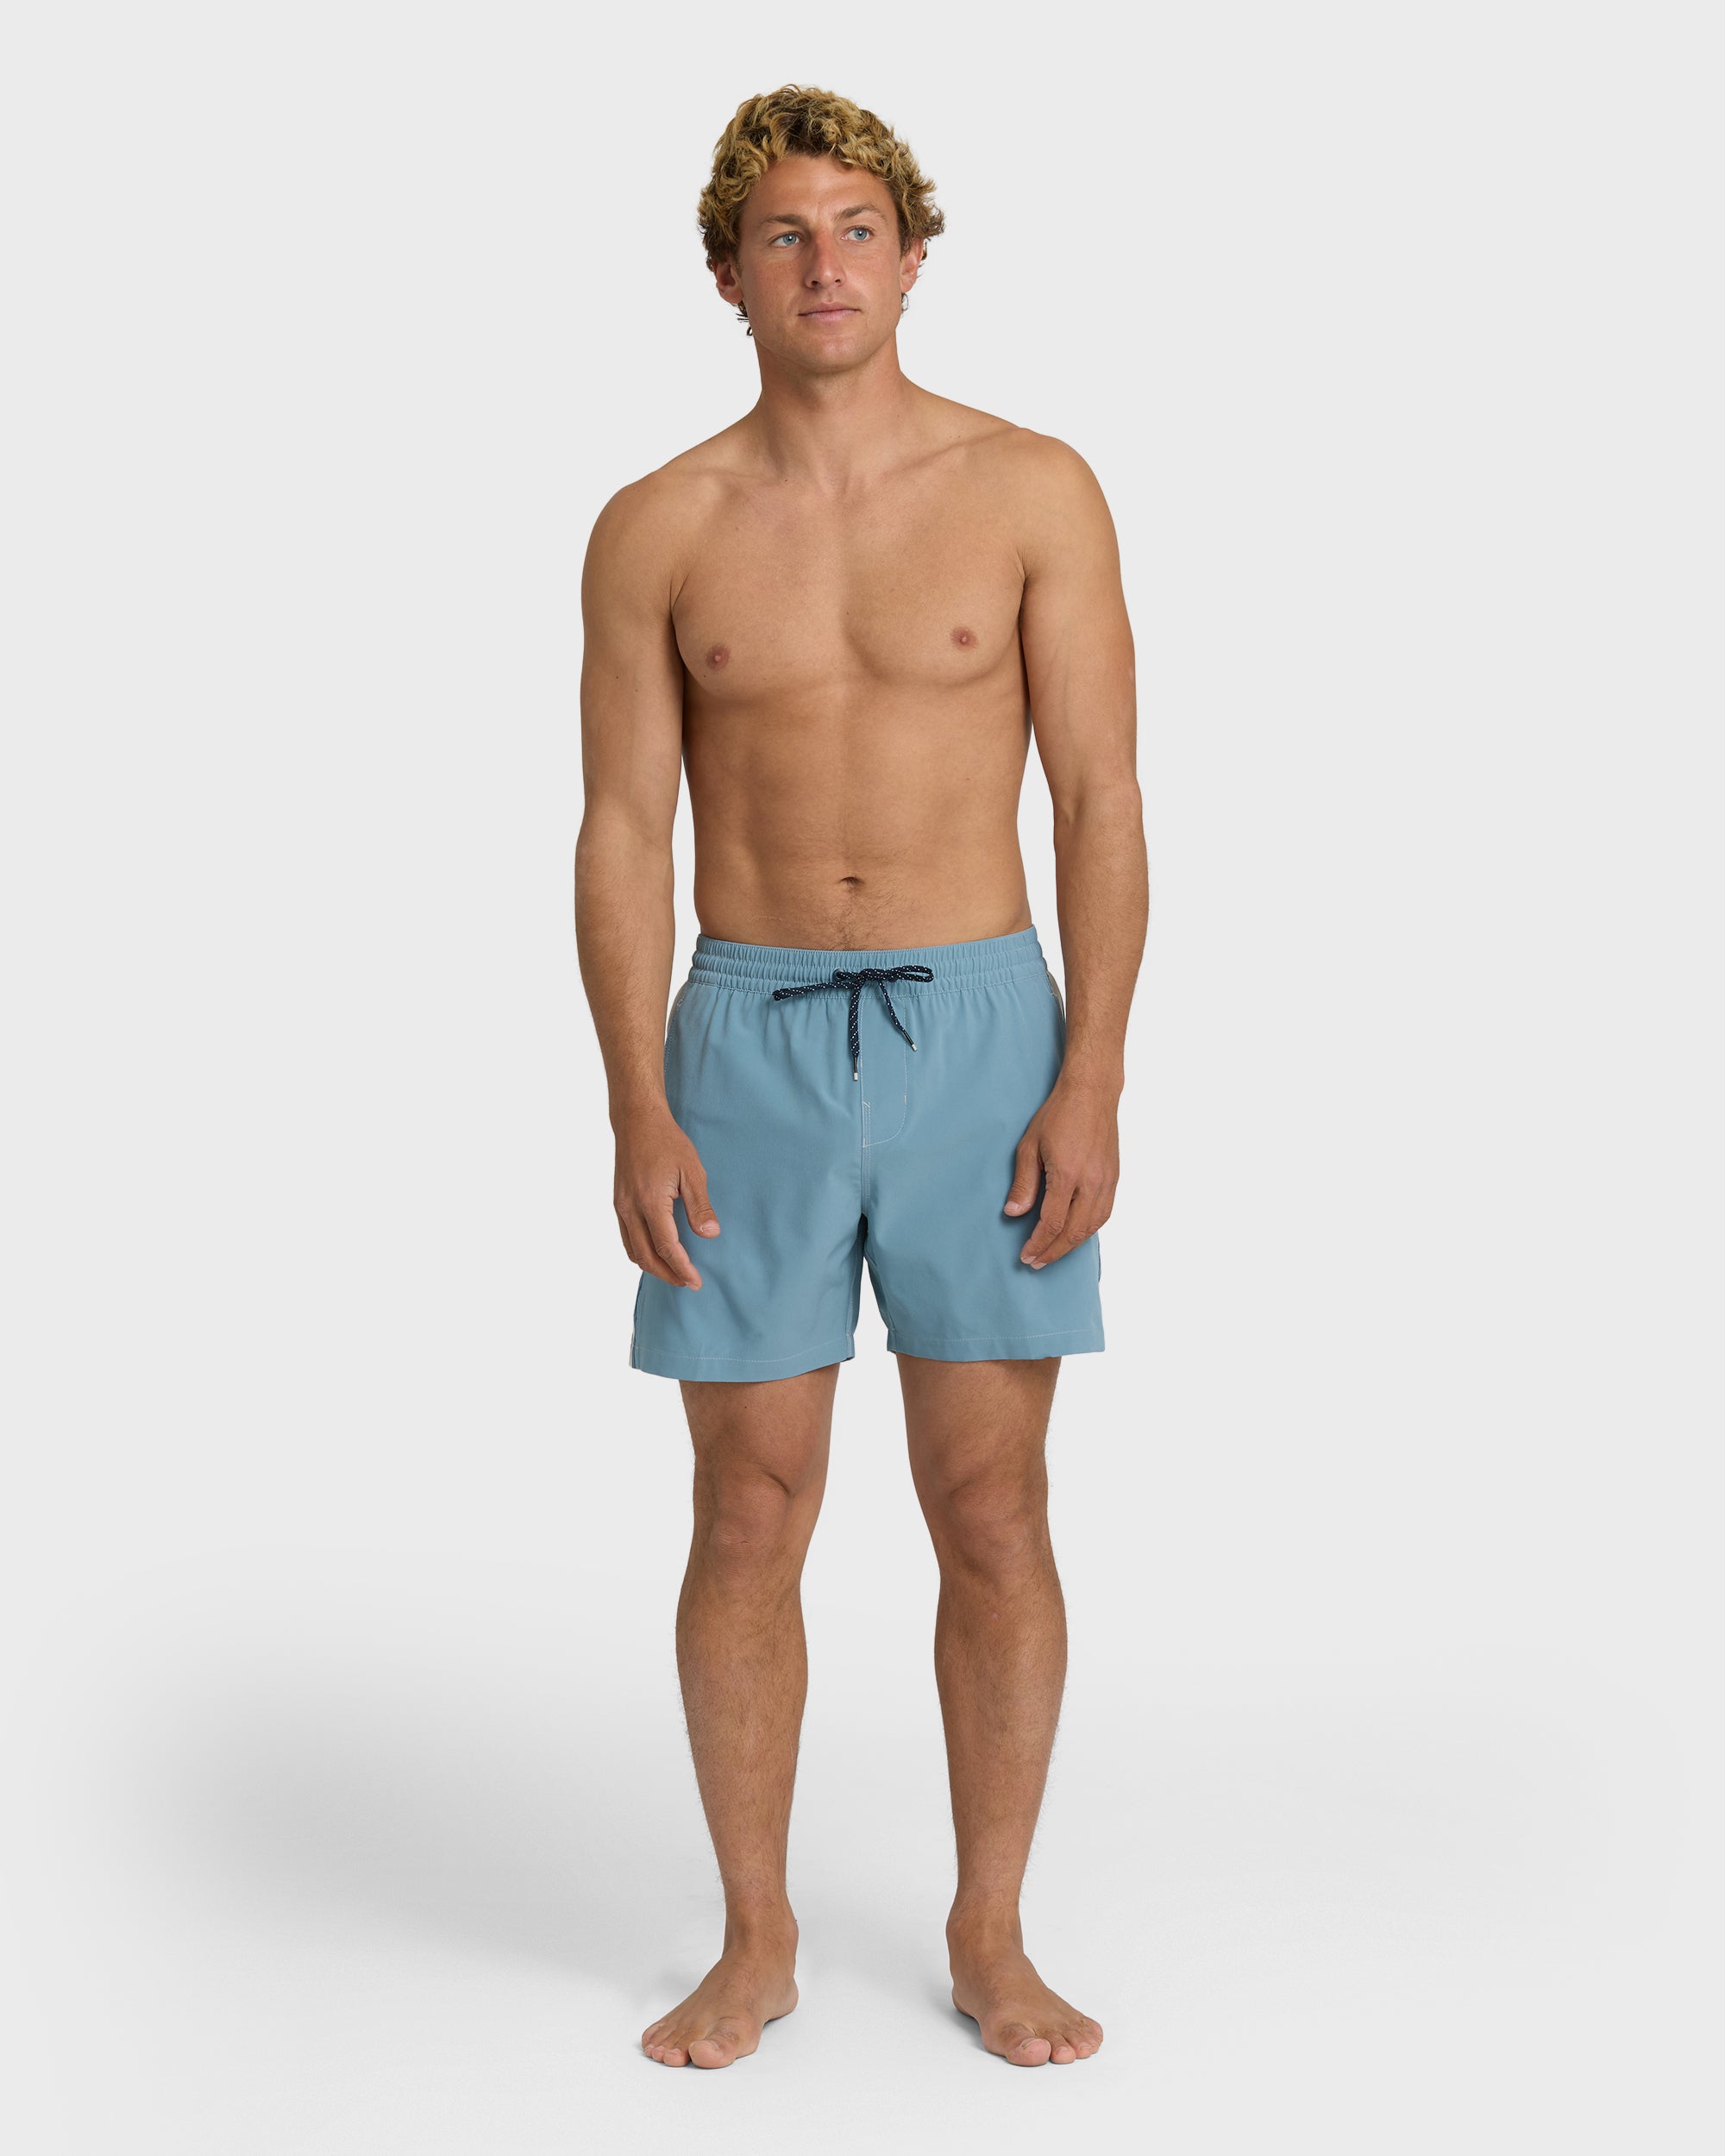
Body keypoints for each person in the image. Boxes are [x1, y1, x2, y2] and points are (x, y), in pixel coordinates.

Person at [574, 84, 1146, 2071]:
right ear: (728, 275)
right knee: (748, 1504)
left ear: (910, 256)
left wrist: (1091, 1071)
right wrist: (635, 1099)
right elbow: (620, 827)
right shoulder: (656, 525)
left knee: (991, 1497)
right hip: (741, 1033)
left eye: (857, 229)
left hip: (982, 1025)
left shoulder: (1031, 489)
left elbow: (1099, 795)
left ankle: (990, 1927)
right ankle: (756, 1933)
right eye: (784, 236)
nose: (824, 265)